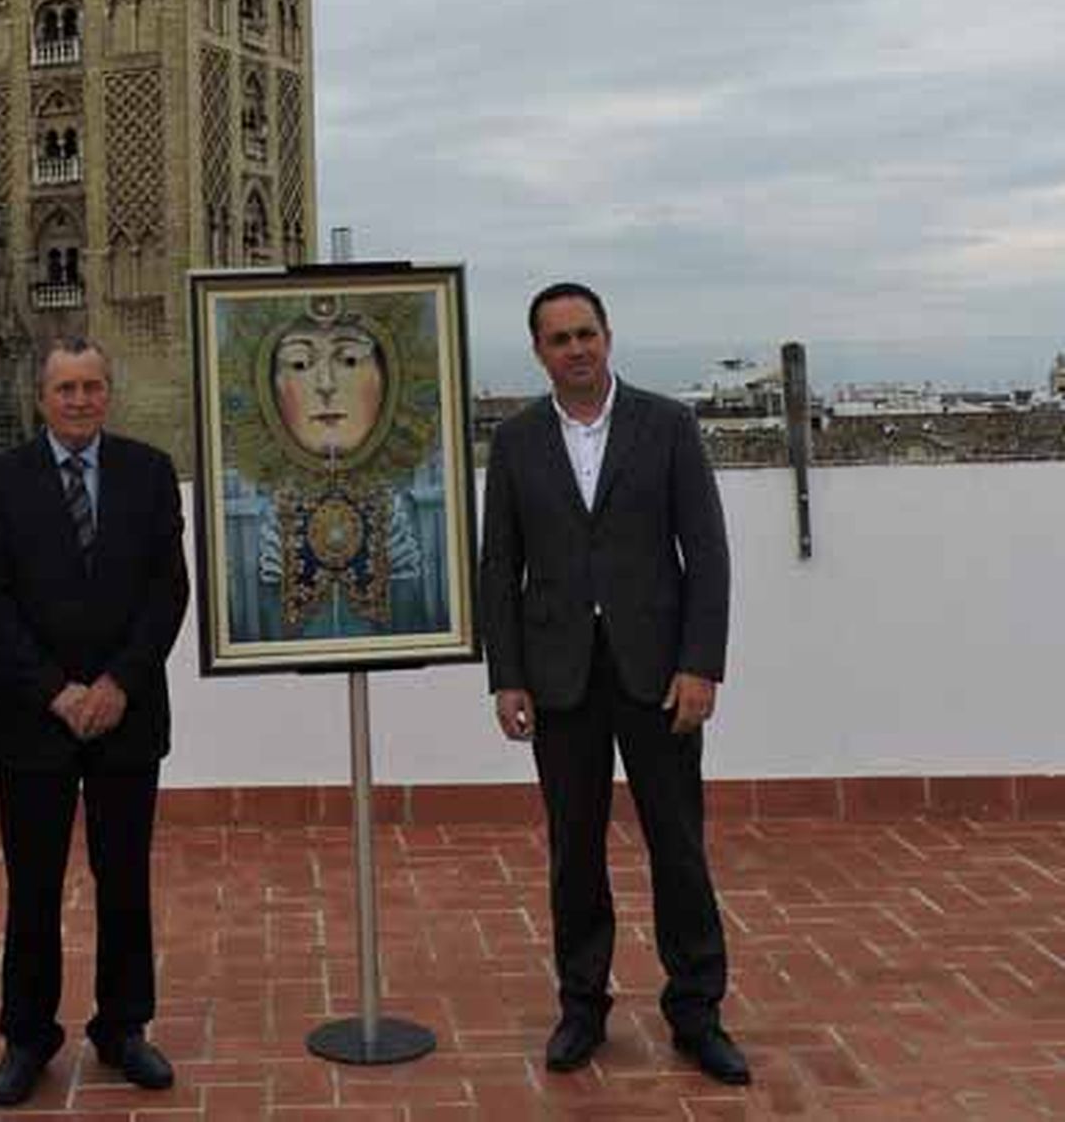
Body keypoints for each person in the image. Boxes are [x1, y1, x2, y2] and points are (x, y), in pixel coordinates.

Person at [479, 283, 751, 1088]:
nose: (576, 349)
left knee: (678, 843)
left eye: (586, 334)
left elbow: (706, 552)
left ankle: (697, 1010)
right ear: (539, 352)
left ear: (608, 336)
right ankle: (583, 1006)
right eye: (559, 339)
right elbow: (501, 567)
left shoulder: (667, 425)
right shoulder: (518, 440)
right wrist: (507, 677)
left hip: (657, 671)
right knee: (574, 850)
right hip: (560, 675)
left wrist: (701, 664)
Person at [0, 338, 189, 1108]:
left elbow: (168, 591)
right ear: (41, 398)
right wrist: (58, 691)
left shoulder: (149, 472)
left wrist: (120, 682)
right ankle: (27, 1035)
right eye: (66, 389)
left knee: (124, 878)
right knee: (33, 884)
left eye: (93, 386)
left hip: (127, 714)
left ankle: (124, 1027)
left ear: (109, 393)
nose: (82, 400)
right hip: (35, 718)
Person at [220, 291, 449, 646]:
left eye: (351, 360)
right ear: (268, 388)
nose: (326, 385)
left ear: (388, 377)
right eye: (298, 363)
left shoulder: (401, 520)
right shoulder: (262, 525)